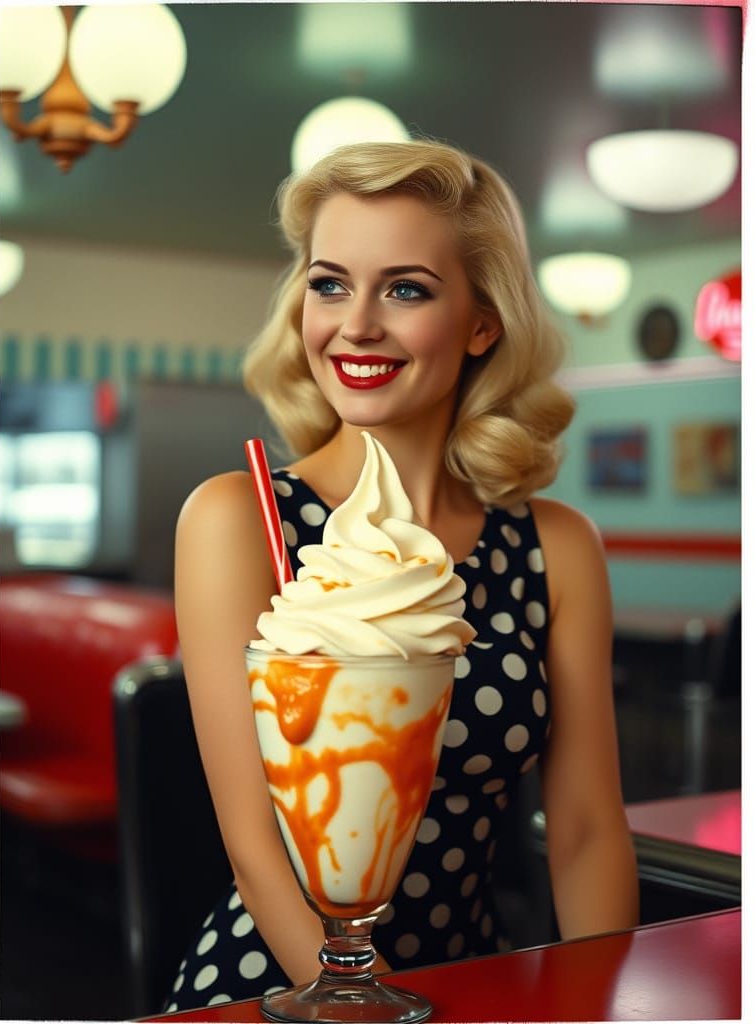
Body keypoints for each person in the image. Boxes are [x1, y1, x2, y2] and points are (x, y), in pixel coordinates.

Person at [166, 139, 639, 1011]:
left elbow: (583, 832)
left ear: (483, 321)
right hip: (282, 985)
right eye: (330, 283)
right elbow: (254, 845)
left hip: (477, 979)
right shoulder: (236, 519)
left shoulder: (556, 546)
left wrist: (594, 999)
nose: (356, 325)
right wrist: (357, 999)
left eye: (407, 289)